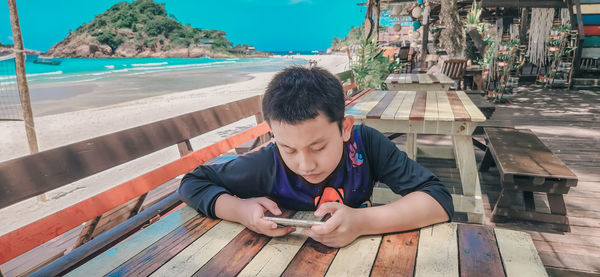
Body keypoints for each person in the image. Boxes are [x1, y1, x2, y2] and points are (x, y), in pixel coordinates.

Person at [178, 66, 453, 248]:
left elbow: (438, 199)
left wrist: (362, 222)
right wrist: (240, 211)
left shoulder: (365, 145)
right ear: (273, 136)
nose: (305, 165)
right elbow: (193, 182)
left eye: (319, 147)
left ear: (345, 129)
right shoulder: (267, 162)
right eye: (289, 149)